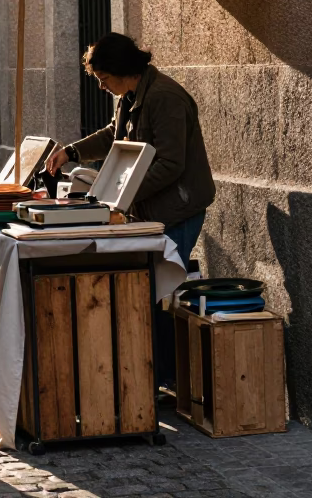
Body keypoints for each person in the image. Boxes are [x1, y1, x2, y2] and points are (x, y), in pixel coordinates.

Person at [44, 32, 214, 389]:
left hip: (178, 207)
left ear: (123, 70)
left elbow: (170, 163)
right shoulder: (132, 95)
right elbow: (113, 134)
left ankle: (164, 379)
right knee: (145, 289)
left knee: (157, 289)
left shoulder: (165, 97)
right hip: (150, 207)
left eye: (104, 79)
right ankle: (153, 377)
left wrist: (119, 192)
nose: (103, 87)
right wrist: (71, 151)